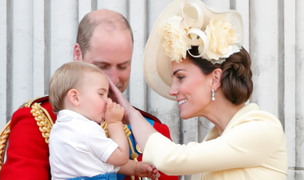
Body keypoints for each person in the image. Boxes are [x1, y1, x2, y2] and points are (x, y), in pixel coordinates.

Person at [108, 0, 288, 179]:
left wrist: (132, 115)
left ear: (215, 78)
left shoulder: (262, 128)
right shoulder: (215, 139)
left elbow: (169, 160)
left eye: (180, 77)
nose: (172, 91)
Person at [0, 9, 179, 180]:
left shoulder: (153, 129)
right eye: (102, 66)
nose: (113, 80)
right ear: (78, 54)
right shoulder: (37, 121)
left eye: (123, 66)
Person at [48, 62, 158, 180]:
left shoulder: (58, 129)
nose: (107, 101)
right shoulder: (87, 129)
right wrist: (114, 123)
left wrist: (135, 168)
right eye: (101, 94)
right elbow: (120, 157)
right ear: (75, 97)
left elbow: (99, 163)